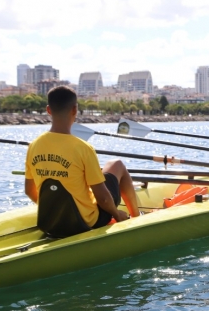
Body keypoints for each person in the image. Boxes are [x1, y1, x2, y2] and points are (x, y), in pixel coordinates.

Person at [24, 86, 140, 237]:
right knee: (116, 164)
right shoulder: (83, 148)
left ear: (48, 110)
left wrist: (56, 210)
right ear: (74, 110)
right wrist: (117, 214)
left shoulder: (33, 146)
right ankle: (137, 217)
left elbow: (29, 191)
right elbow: (104, 198)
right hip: (86, 222)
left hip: (52, 222)